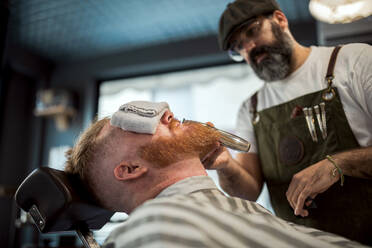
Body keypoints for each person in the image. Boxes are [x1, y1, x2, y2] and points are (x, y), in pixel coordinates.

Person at [64, 100, 367, 248]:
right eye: (130, 124)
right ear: (130, 169)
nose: (165, 113)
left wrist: (226, 165)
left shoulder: (237, 209)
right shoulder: (152, 231)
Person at [204, 0, 372, 244]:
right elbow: (247, 192)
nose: (249, 47)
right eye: (237, 46)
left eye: (252, 31)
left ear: (280, 20)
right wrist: (225, 165)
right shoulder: (251, 109)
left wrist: (338, 165)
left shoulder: (355, 62)